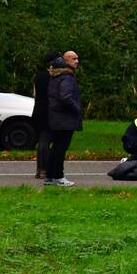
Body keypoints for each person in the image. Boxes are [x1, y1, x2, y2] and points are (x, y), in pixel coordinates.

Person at [46, 51, 81, 187]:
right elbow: (66, 97)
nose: (77, 61)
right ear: (65, 61)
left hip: (56, 117)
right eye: (73, 59)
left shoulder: (56, 75)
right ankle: (58, 176)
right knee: (61, 148)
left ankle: (49, 176)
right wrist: (76, 108)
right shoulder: (67, 77)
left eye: (77, 58)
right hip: (65, 118)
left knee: (55, 147)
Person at [32, 50, 61, 179]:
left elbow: (35, 94)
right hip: (49, 111)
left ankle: (39, 169)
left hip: (38, 110)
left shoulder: (38, 76)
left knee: (41, 140)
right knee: (46, 140)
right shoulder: (54, 77)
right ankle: (44, 169)